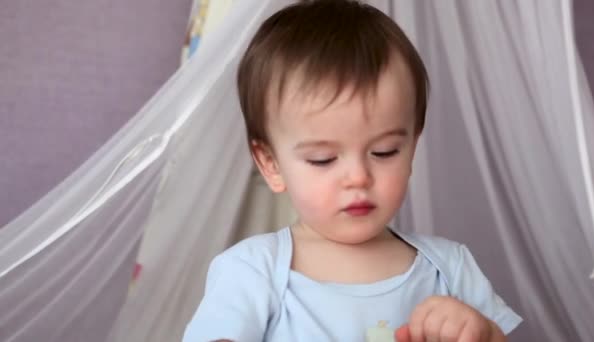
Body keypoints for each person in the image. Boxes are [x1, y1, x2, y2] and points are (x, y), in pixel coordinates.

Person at [183, 1, 522, 341]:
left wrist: (485, 334)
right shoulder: (254, 271)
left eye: (383, 152)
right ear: (271, 163)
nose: (358, 177)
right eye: (323, 159)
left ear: (412, 148)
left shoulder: (450, 269)